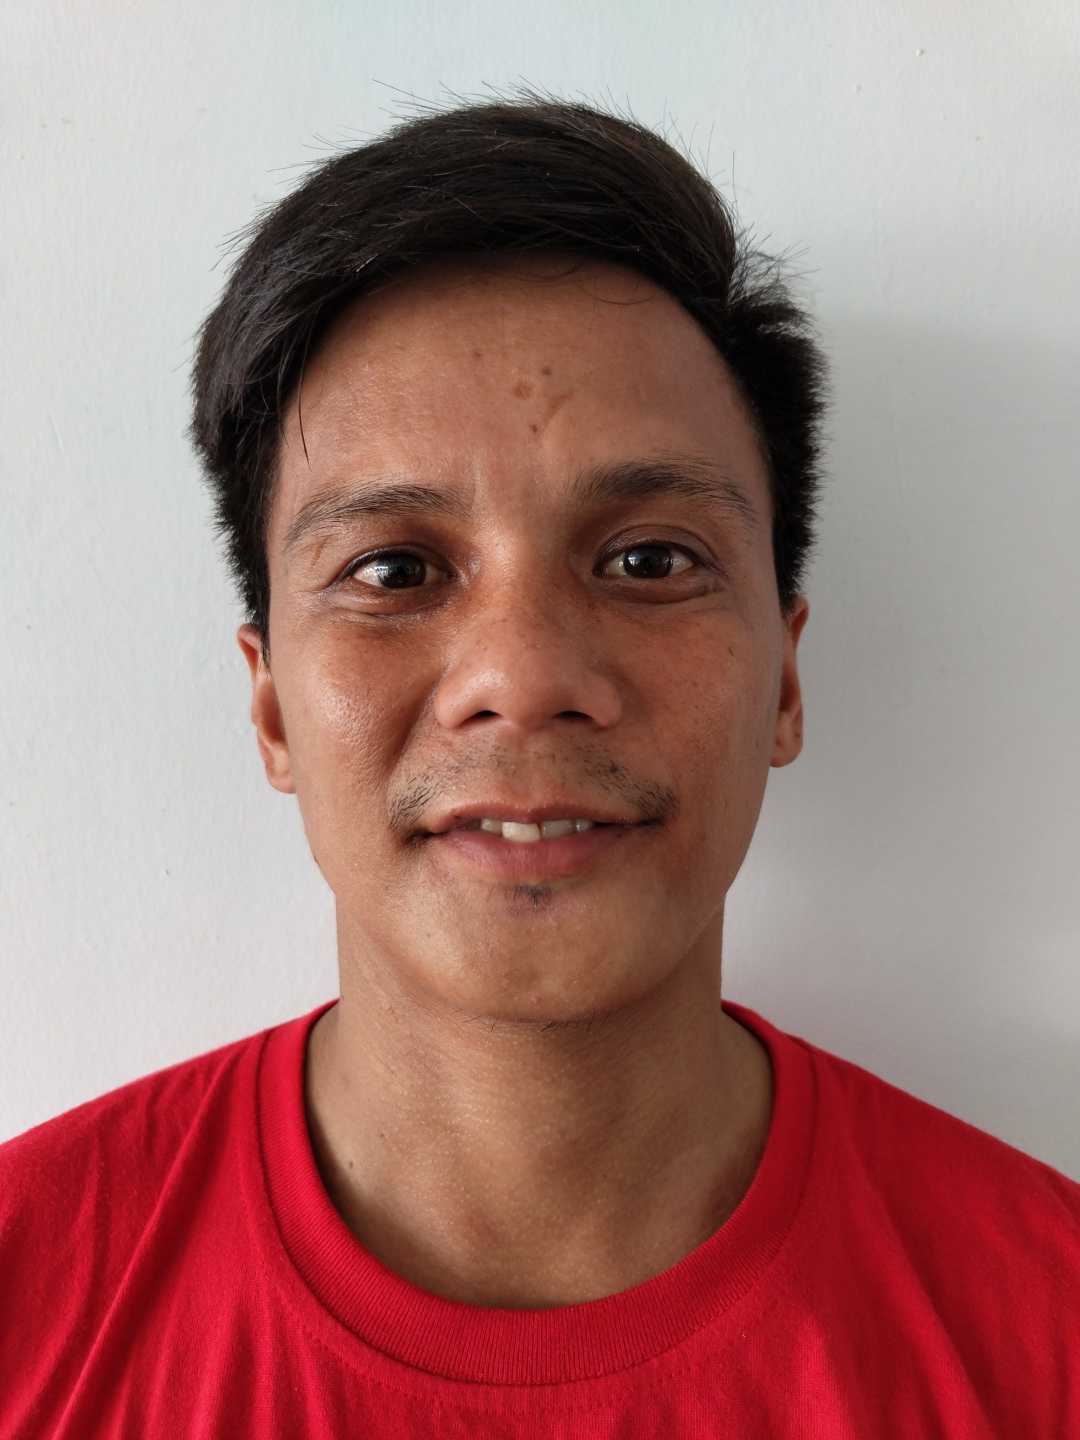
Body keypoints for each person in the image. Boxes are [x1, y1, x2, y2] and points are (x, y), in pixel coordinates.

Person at [2, 89, 1077, 1438]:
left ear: (784, 680)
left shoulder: (1050, 1333)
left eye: (649, 559)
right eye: (393, 571)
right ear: (271, 707)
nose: (522, 675)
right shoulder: (30, 1307)